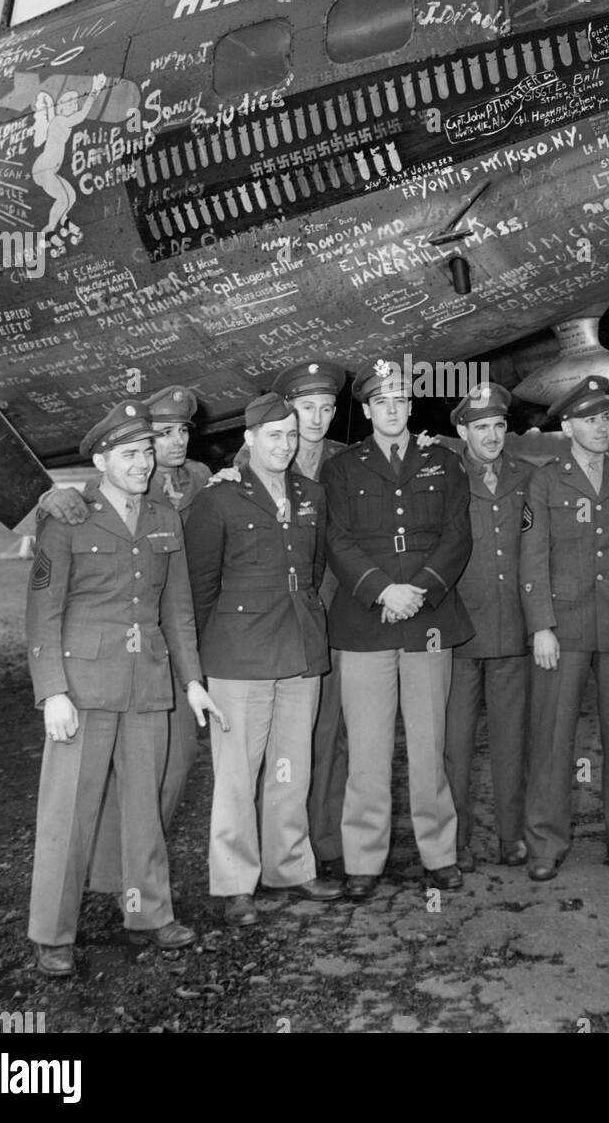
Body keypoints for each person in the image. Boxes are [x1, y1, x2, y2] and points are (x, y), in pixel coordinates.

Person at [26, 401, 225, 976]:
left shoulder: (164, 516)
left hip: (149, 684)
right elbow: (43, 612)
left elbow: (177, 610)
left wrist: (192, 683)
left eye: (146, 452)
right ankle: (54, 932)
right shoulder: (67, 517)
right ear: (101, 459)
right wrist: (52, 691)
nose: (142, 463)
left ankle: (148, 912)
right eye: (129, 454)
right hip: (83, 686)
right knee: (69, 812)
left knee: (146, 805)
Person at [184, 392, 341, 926]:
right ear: (249, 440)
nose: (285, 445)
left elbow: (314, 567)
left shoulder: (312, 493)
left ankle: (290, 867)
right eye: (274, 436)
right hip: (239, 653)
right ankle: (235, 883)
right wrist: (209, 659)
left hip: (299, 643)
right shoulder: (217, 500)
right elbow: (200, 586)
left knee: (290, 769)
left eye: (292, 436)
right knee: (236, 774)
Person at [321, 356, 473, 901]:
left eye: (402, 400)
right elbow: (337, 540)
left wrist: (421, 591)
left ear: (411, 406)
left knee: (430, 747)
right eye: (382, 401)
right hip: (366, 621)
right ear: (365, 410)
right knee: (366, 750)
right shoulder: (341, 469)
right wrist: (384, 591)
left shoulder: (444, 460)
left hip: (428, 621)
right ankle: (364, 858)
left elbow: (457, 536)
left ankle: (439, 853)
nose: (393, 409)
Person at [519, 376, 609, 883]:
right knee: (552, 738)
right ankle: (546, 843)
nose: (601, 427)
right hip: (565, 626)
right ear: (567, 426)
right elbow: (532, 560)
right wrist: (541, 626)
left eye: (605, 417)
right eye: (589, 419)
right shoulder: (546, 481)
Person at [442, 382, 533, 872]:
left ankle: (512, 836)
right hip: (458, 634)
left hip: (512, 631)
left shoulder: (529, 477)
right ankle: (455, 843)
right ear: (462, 430)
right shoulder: (443, 477)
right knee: (455, 746)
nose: (493, 435)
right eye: (481, 427)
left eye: (499, 425)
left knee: (511, 742)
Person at [269, 360, 349, 876]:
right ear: (289, 412)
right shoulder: (262, 458)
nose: (315, 418)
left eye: (324, 407)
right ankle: (277, 846)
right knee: (280, 739)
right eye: (305, 408)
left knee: (331, 731)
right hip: (281, 619)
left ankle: (327, 841)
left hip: (338, 614)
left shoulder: (348, 461)